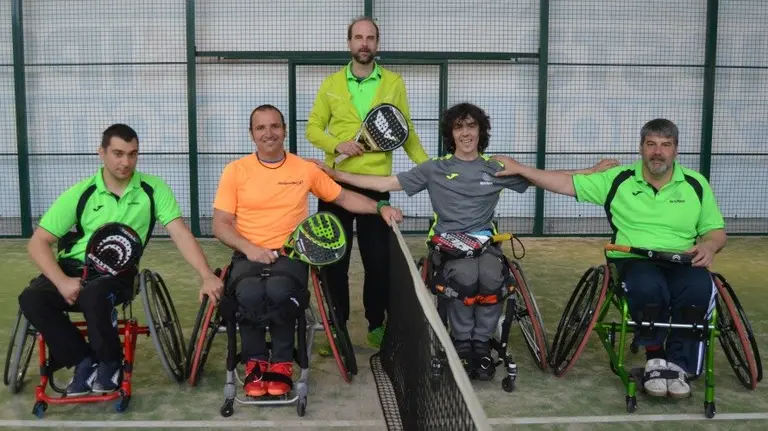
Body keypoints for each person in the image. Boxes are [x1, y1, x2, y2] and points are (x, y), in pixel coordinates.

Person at [315, 102, 615, 379]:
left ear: (480, 131)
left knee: (491, 275)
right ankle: (461, 342)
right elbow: (383, 183)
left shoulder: (497, 167)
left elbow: (545, 177)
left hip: (484, 244)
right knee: (466, 276)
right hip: (447, 245)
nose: (466, 133)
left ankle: (480, 345)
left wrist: (592, 171)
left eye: (471, 126)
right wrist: (334, 174)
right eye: (459, 127)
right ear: (451, 133)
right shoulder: (435, 168)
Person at [494, 118, 727, 397]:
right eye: (651, 144)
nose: (657, 151)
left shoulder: (695, 183)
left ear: (676, 150)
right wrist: (520, 168)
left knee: (700, 289)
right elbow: (566, 183)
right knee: (648, 288)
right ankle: (655, 355)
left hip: (682, 259)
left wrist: (710, 246)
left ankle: (678, 364)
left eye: (665, 145)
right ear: (641, 148)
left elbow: (715, 231)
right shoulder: (619, 179)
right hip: (633, 258)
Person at [18, 124, 223, 396]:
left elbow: (181, 234)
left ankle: (111, 363)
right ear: (101, 153)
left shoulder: (153, 190)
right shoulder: (82, 193)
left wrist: (206, 274)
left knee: (95, 293)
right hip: (71, 270)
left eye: (132, 154)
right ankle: (83, 360)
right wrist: (62, 281)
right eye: (117, 153)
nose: (126, 162)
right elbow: (38, 243)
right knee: (31, 298)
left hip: (118, 274)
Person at [212, 104, 402, 397]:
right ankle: (255, 362)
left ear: (285, 130)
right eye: (261, 128)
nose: (269, 133)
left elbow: (343, 198)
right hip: (248, 254)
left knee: (279, 292)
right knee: (247, 293)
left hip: (291, 254)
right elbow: (221, 224)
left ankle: (282, 363)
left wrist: (379, 206)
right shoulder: (235, 171)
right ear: (251, 134)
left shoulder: (304, 169)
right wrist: (250, 248)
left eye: (275, 126)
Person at [305, 17, 430, 351]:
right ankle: (337, 328)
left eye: (370, 38)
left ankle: (376, 324)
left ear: (377, 43)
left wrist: (430, 168)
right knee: (334, 263)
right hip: (334, 186)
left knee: (378, 264)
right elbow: (312, 128)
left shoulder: (393, 82)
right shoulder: (331, 84)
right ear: (349, 43)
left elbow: (406, 132)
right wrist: (336, 144)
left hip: (376, 187)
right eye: (358, 37)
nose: (364, 43)